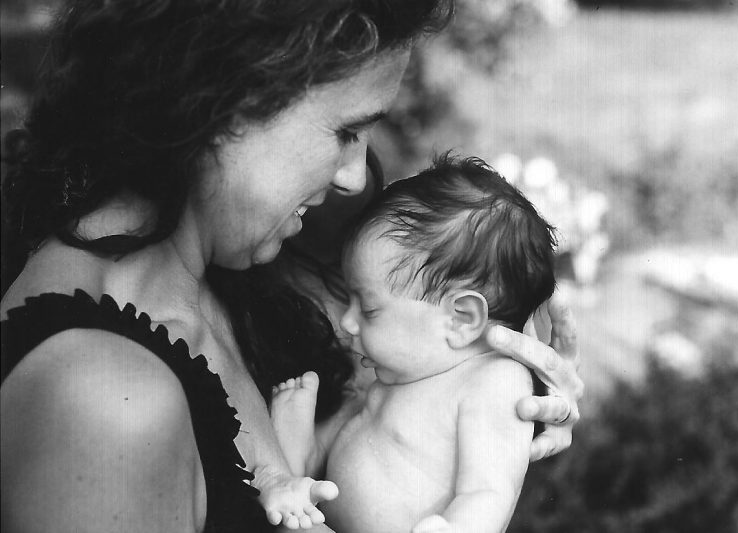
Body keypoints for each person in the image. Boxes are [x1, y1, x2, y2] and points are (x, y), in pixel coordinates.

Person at [0, 1, 582, 532]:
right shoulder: (101, 402)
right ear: (222, 98)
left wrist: (489, 406)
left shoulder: (252, 258)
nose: (355, 176)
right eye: (347, 130)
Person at [269, 155, 557, 532]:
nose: (348, 321)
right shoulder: (411, 369)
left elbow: (489, 492)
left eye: (368, 309)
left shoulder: (495, 382)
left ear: (461, 319)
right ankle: (300, 460)